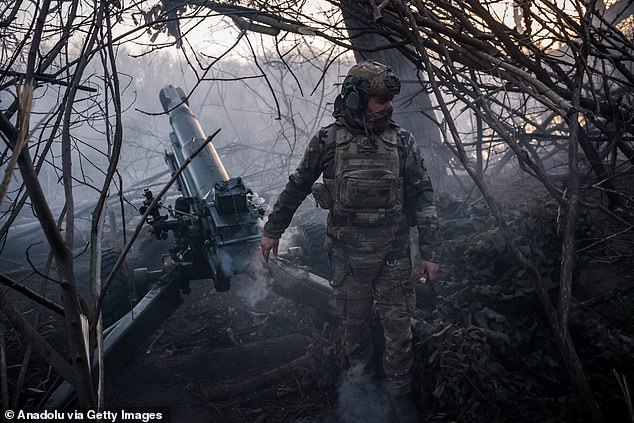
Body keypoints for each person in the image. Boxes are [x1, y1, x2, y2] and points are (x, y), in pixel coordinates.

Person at [260, 60, 439, 422]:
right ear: (356, 100)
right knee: (355, 335)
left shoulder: (402, 141)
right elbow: (297, 186)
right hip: (348, 259)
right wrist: (272, 230)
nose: (387, 106)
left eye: (389, 99)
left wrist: (431, 253)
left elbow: (423, 195)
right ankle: (362, 399)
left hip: (393, 256)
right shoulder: (328, 140)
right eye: (379, 100)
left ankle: (401, 399)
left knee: (399, 335)